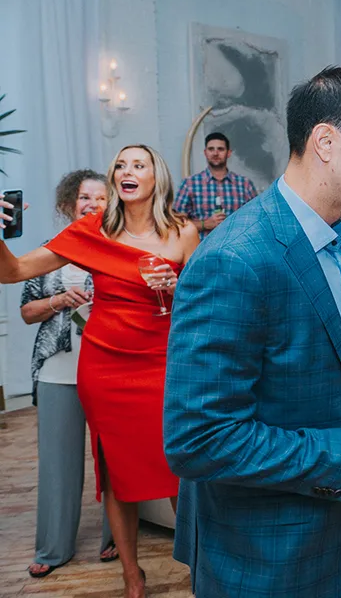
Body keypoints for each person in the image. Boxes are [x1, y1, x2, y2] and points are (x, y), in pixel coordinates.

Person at [164, 68, 341, 598]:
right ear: (326, 142)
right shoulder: (236, 259)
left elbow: (319, 362)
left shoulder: (336, 241)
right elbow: (198, 440)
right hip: (269, 552)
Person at [0, 144, 198, 598]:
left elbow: (208, 299)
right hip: (105, 367)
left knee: (177, 470)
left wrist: (180, 285)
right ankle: (131, 572)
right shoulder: (92, 232)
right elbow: (11, 272)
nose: (127, 171)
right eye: (120, 165)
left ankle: (200, 562)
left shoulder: (183, 231)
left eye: (138, 164)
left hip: (162, 366)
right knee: (117, 472)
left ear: (156, 177)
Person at [24, 170, 115, 579]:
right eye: (84, 197)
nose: (92, 204)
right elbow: (27, 312)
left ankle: (115, 536)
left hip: (110, 367)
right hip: (58, 370)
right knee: (57, 463)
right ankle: (53, 547)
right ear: (68, 203)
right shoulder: (49, 251)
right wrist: (59, 299)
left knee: (115, 459)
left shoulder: (119, 249)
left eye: (100, 198)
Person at [174, 131, 258, 236]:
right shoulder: (189, 184)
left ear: (228, 153)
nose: (215, 153)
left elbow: (257, 220)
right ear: (205, 153)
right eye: (211, 149)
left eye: (220, 149)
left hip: (235, 249)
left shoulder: (244, 185)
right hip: (201, 249)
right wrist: (204, 224)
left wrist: (234, 224)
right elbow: (175, 223)